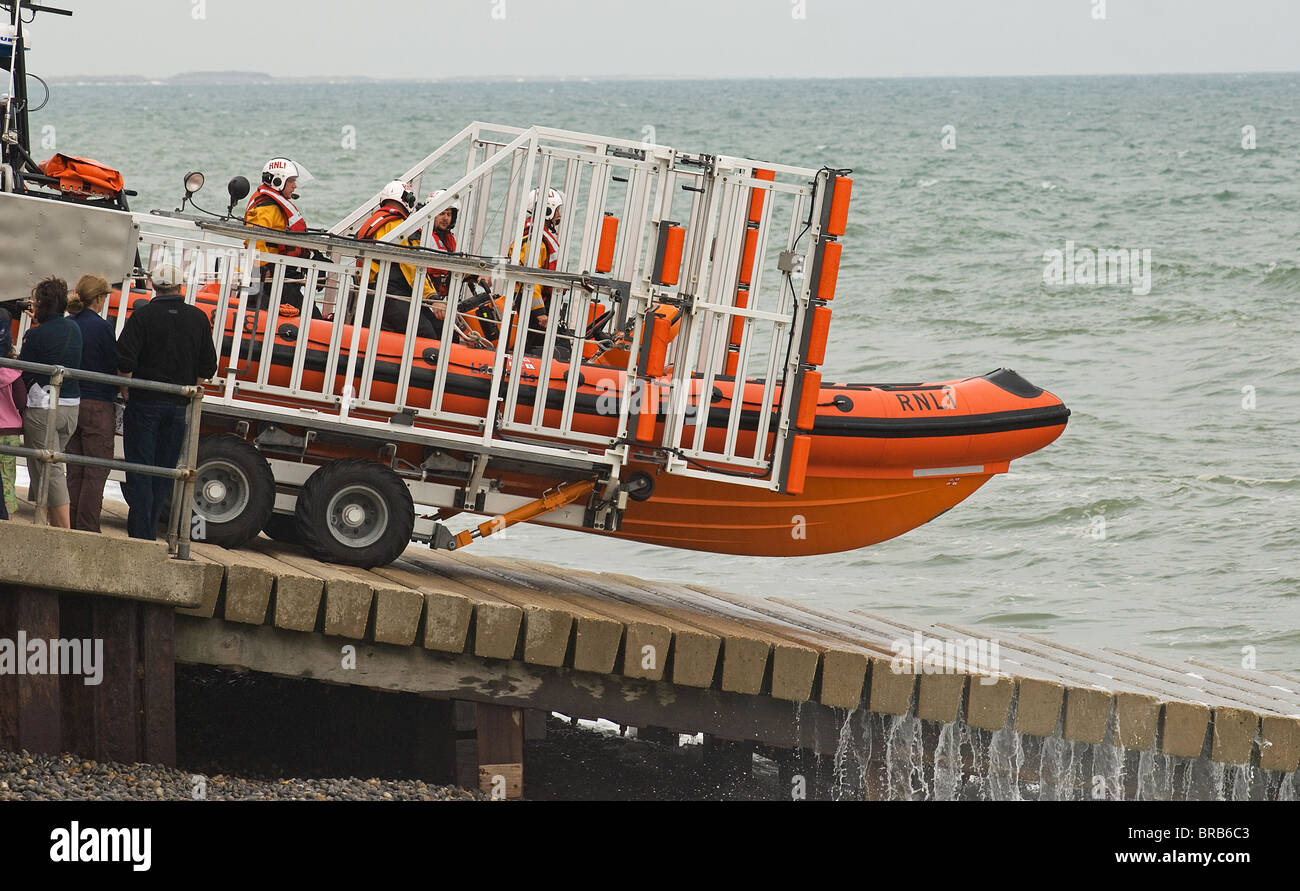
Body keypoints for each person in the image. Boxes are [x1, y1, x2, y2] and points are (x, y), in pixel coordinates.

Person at [116, 262, 217, 541]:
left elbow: (124, 358)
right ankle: (150, 532)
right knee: (163, 472)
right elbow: (208, 366)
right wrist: (193, 386)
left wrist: (126, 386)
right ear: (180, 286)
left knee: (141, 469)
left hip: (144, 403)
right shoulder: (198, 318)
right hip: (177, 406)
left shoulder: (142, 316)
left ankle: (141, 534)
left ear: (153, 285)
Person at [17, 276, 82, 528]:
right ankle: (43, 521)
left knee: (50, 470)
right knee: (50, 467)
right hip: (71, 408)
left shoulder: (35, 335)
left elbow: (25, 372)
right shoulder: (74, 328)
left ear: (42, 304)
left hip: (44, 408)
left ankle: (61, 532)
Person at [354, 180, 446, 339]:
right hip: (390, 294)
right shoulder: (400, 227)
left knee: (436, 327)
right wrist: (433, 298)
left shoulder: (375, 221)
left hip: (371, 292)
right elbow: (412, 265)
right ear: (407, 201)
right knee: (428, 333)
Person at [64, 274, 118, 533]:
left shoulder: (69, 323)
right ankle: (87, 529)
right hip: (98, 403)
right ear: (99, 298)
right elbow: (114, 364)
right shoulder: (103, 328)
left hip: (71, 400)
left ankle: (69, 525)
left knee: (74, 469)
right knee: (95, 471)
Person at [243, 156, 322, 318]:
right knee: (312, 316)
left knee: (309, 311)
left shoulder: (274, 205)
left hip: (281, 271)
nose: (294, 185)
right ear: (277, 181)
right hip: (272, 273)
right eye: (291, 181)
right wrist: (263, 269)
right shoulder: (266, 208)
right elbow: (255, 240)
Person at [512, 187, 564, 352]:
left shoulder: (536, 235)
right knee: (545, 345)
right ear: (547, 210)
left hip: (534, 304)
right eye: (557, 211)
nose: (559, 215)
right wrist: (540, 312)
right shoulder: (536, 241)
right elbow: (530, 278)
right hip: (532, 307)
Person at [0, 307, 24, 520]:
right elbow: (21, 401)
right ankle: (7, 515)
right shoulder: (14, 371)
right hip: (10, 432)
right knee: (7, 475)